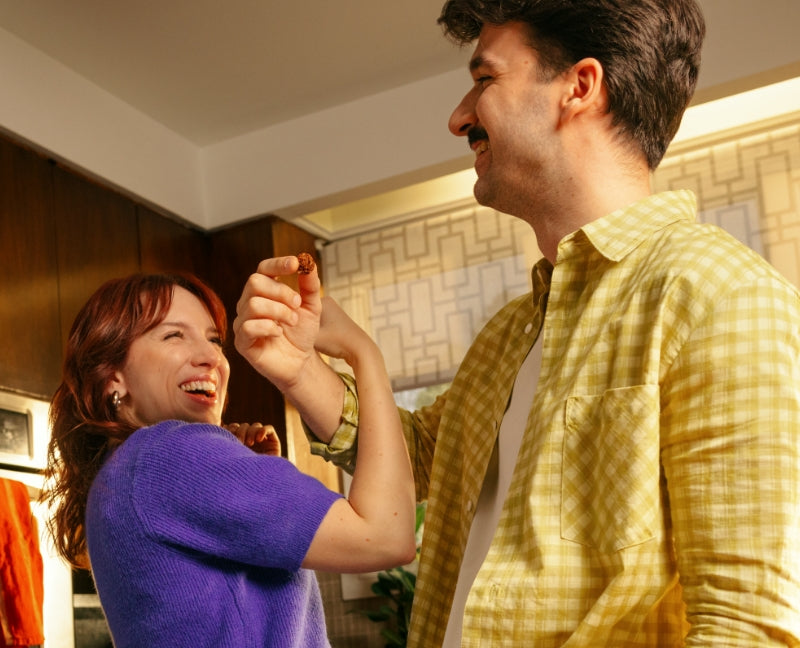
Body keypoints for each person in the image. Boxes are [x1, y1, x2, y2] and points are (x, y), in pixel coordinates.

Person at [234, 1, 800, 646]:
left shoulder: (719, 295)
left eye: (485, 79)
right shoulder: (509, 332)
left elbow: (746, 628)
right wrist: (301, 369)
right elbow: (417, 462)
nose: (458, 117)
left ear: (579, 87)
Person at [41, 270, 415, 648]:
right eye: (174, 335)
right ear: (112, 377)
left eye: (215, 340)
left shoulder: (120, 472)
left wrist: (248, 476)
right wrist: (364, 354)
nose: (210, 357)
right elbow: (386, 535)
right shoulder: (171, 453)